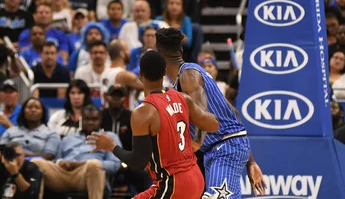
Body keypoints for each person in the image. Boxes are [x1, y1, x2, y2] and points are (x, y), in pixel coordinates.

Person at [89, 50, 220, 199]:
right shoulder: (183, 98)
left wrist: (111, 146)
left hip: (173, 183)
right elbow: (213, 125)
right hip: (196, 176)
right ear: (164, 72)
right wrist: (196, 140)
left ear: (140, 75)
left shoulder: (143, 112)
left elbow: (138, 162)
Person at [155, 28, 266, 197]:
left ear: (159, 55)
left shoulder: (188, 75)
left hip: (225, 148)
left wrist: (196, 143)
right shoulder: (190, 74)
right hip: (220, 148)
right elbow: (234, 113)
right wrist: (251, 161)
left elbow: (201, 110)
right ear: (181, 51)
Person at [31, 104, 121, 199]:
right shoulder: (68, 138)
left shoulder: (109, 137)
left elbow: (115, 165)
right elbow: (56, 161)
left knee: (93, 164)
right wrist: (61, 162)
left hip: (87, 175)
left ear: (100, 120)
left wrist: (84, 164)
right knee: (36, 162)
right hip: (64, 175)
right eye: (86, 119)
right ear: (81, 119)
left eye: (94, 119)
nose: (90, 122)